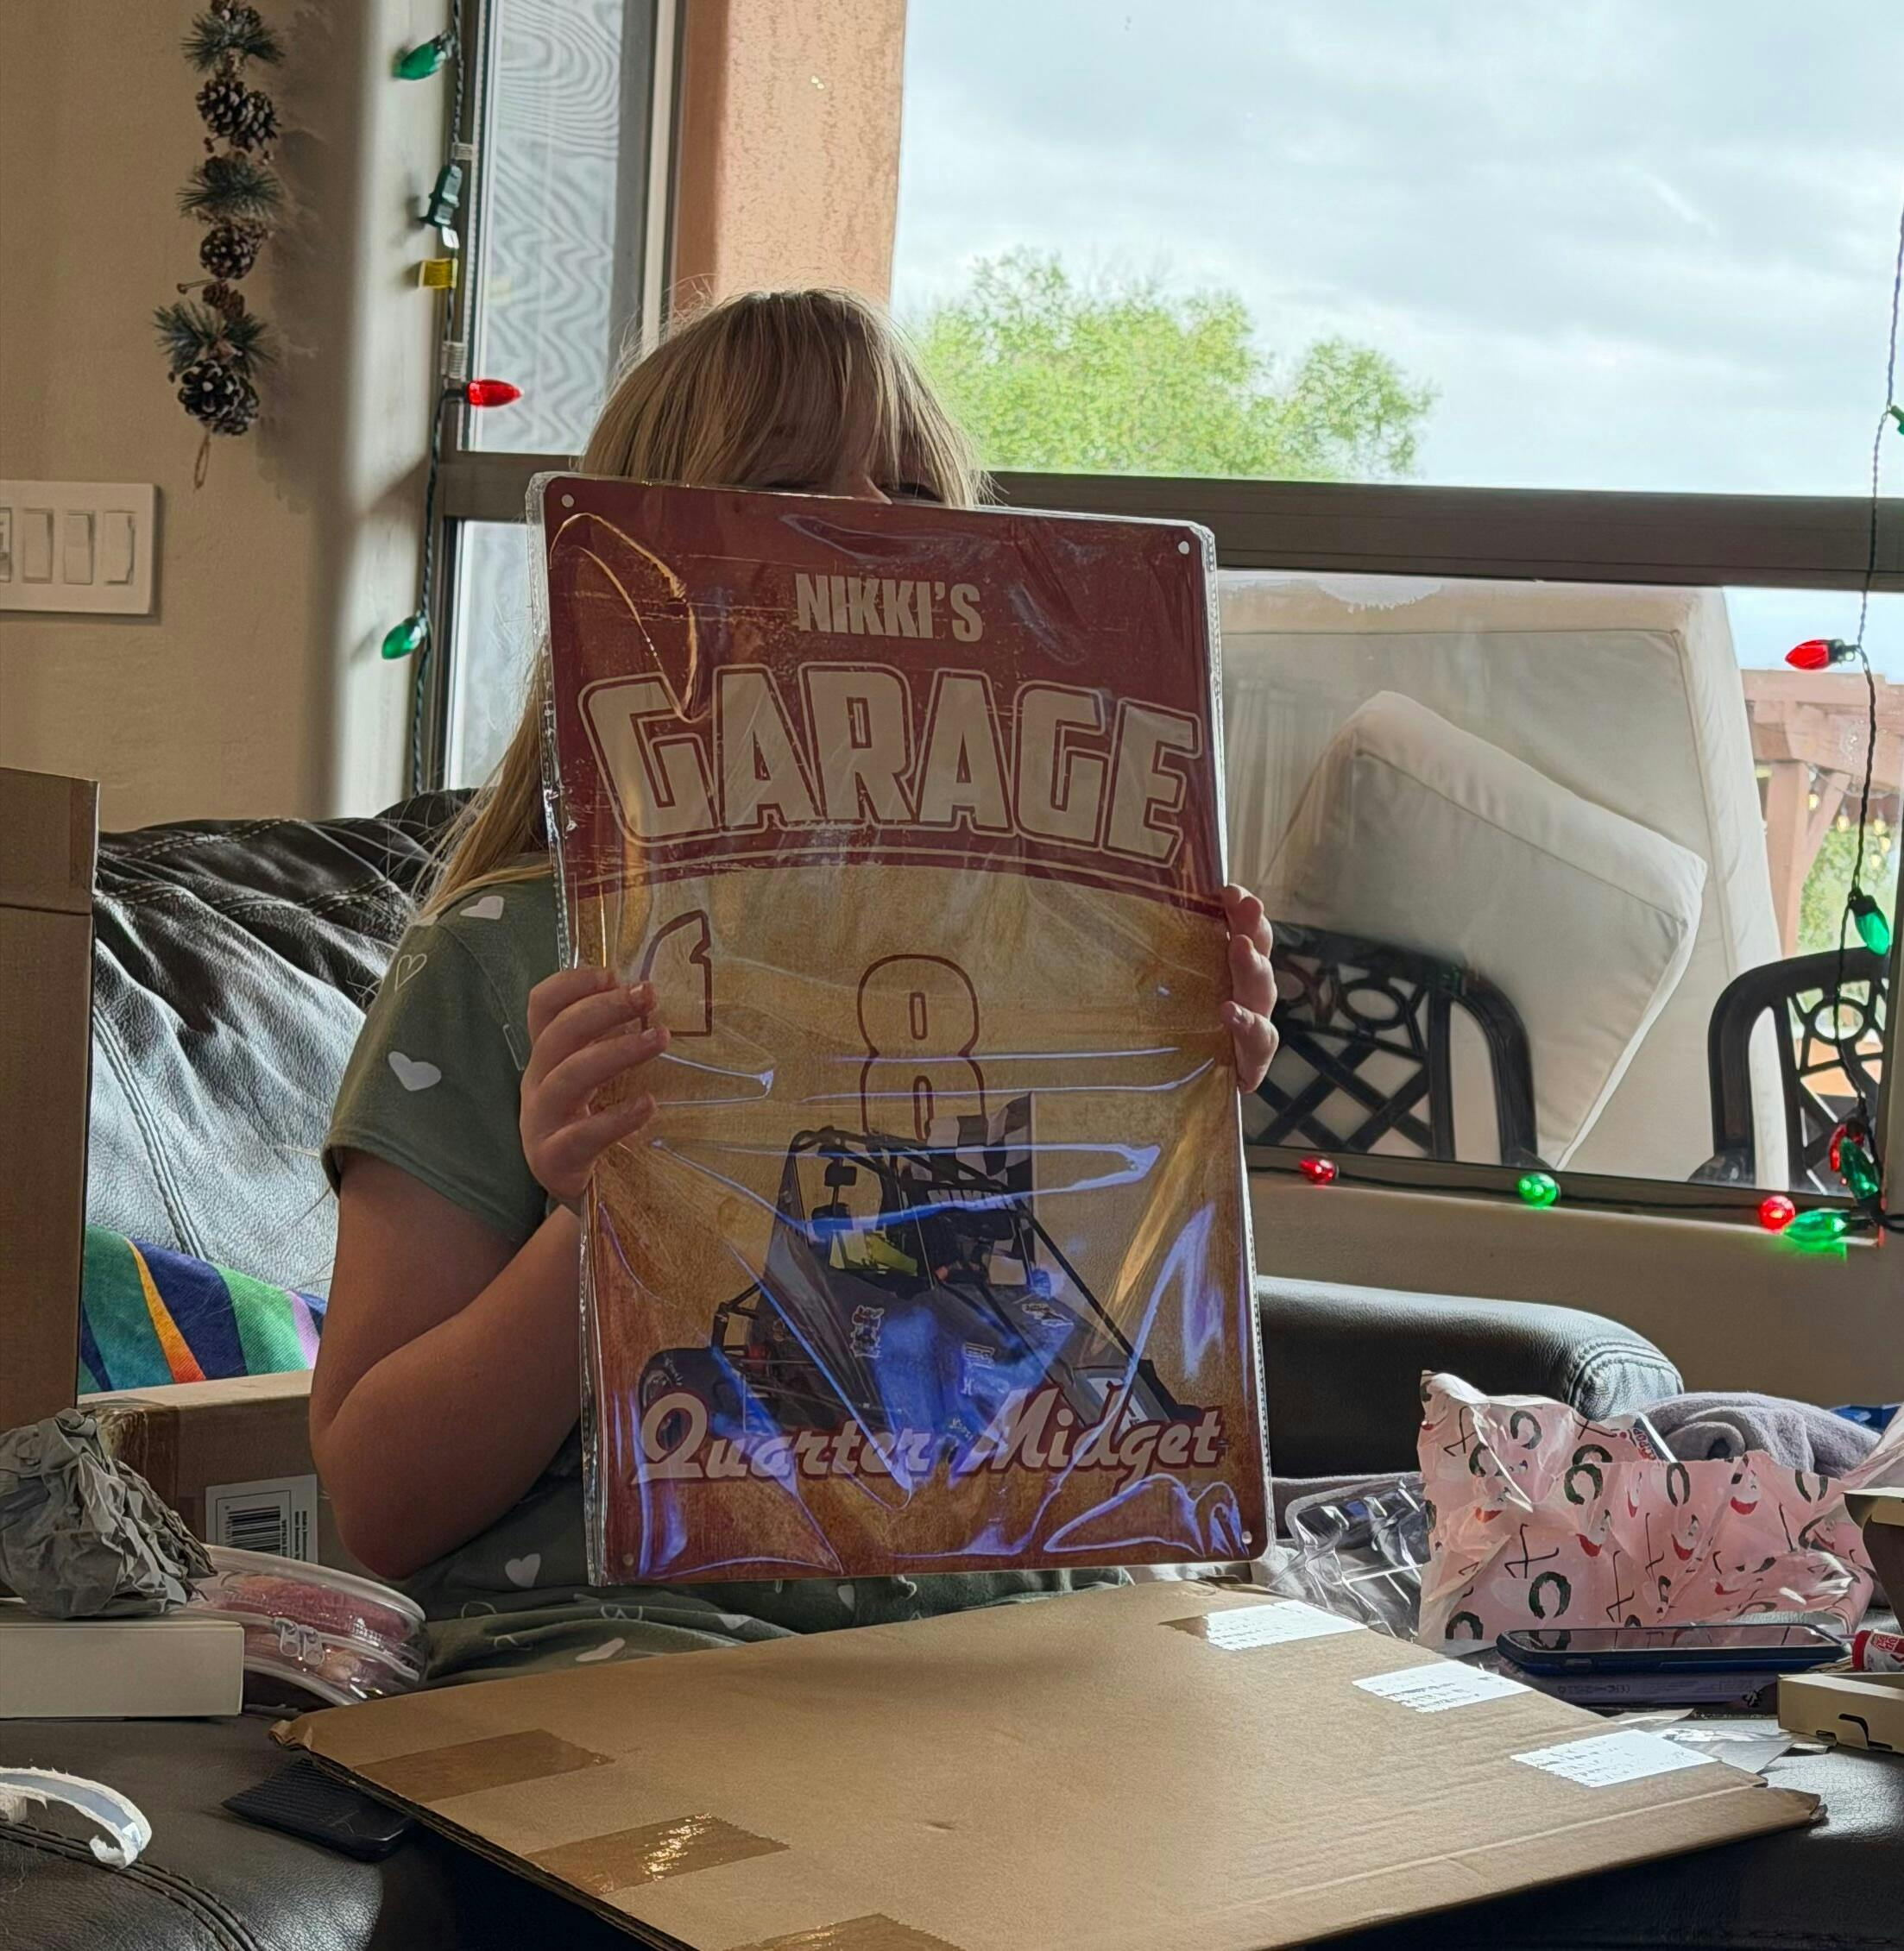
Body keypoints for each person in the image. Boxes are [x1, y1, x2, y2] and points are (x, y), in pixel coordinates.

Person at [312, 287, 1280, 1679]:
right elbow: (381, 1501)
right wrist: (603, 1210)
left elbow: (1101, 1340)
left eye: (909, 489)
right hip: (641, 1654)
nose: (866, 521)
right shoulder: (506, 947)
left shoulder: (1042, 940)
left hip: (1024, 1634)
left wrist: (1164, 1089)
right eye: (784, 488)